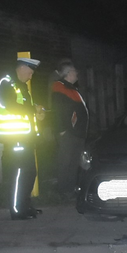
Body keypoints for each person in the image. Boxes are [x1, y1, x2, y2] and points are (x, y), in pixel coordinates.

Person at [0, 52, 44, 220]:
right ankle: (17, 210)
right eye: (30, 72)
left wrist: (37, 111)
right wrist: (32, 110)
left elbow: (24, 107)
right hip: (14, 139)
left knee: (29, 173)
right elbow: (11, 106)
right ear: (21, 68)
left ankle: (25, 206)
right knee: (20, 174)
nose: (30, 76)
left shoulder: (20, 86)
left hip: (25, 138)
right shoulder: (7, 83)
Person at [49, 58, 89, 196]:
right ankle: (63, 190)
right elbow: (58, 110)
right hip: (69, 133)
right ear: (68, 73)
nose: (77, 73)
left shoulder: (71, 88)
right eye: (74, 71)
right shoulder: (60, 87)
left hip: (76, 133)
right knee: (66, 162)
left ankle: (70, 189)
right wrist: (61, 130)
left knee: (73, 163)